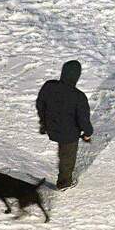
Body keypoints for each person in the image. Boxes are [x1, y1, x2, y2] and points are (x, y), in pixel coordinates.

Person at [36, 60, 93, 190]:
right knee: (67, 158)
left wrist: (43, 122)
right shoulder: (79, 97)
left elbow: (40, 104)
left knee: (64, 151)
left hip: (51, 127)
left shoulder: (49, 86)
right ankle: (64, 183)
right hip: (69, 135)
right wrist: (88, 134)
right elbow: (84, 120)